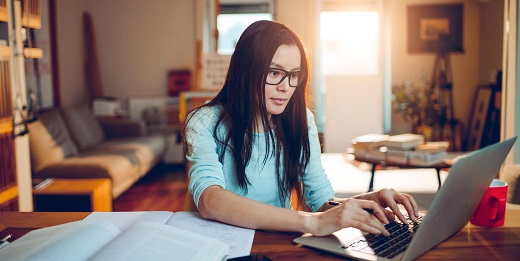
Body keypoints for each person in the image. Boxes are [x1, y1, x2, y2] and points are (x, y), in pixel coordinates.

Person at [184, 20, 418, 237]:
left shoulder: (301, 120)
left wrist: (369, 202)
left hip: (278, 242)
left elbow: (321, 199)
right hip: (222, 241)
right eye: (274, 73)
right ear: (246, 71)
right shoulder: (205, 122)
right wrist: (312, 223)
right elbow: (210, 201)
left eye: (294, 75)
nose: (286, 87)